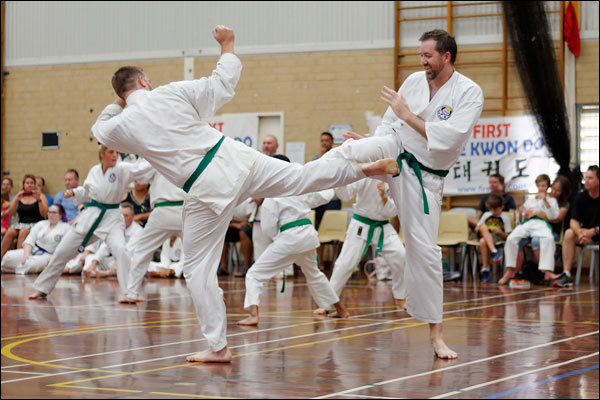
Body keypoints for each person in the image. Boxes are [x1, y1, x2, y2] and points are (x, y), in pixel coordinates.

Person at [90, 25, 397, 363]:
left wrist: (118, 104)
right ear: (145, 82)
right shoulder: (170, 92)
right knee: (300, 177)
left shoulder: (122, 122)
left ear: (123, 94)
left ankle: (218, 346)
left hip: (206, 189)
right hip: (233, 157)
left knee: (197, 270)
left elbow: (100, 129)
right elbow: (222, 84)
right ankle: (361, 163)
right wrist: (227, 45)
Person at [334, 29, 484, 358]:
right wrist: (372, 143)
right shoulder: (415, 81)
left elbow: (446, 139)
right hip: (395, 151)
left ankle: (437, 336)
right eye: (420, 55)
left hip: (426, 177)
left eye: (428, 56)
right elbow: (389, 125)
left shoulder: (469, 93)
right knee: (348, 150)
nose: (422, 61)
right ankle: (287, 178)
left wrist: (406, 114)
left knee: (426, 253)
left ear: (447, 57)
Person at [238, 154, 349, 326]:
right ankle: (341, 309)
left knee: (254, 274)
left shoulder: (272, 193)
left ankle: (253, 315)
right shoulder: (299, 186)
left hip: (290, 237)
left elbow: (268, 226)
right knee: (314, 275)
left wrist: (279, 241)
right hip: (308, 233)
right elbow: (323, 196)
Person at [28, 145, 150, 300]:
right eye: (110, 152)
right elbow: (86, 191)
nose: (114, 155)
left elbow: (140, 169)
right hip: (91, 216)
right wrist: (74, 192)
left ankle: (129, 293)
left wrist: (152, 154)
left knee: (121, 250)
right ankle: (42, 288)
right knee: (61, 251)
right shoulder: (94, 171)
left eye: (116, 153)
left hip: (112, 217)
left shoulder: (122, 169)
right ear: (102, 155)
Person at [314, 177, 407, 315]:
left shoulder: (394, 177)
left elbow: (393, 211)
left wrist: (384, 198)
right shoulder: (366, 172)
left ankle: (400, 297)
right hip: (361, 224)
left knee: (401, 255)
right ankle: (327, 304)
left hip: (383, 225)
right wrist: (340, 180)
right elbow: (346, 194)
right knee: (345, 264)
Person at [124, 163, 185, 301]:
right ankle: (215, 292)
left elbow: (139, 175)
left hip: (162, 210)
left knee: (142, 250)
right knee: (199, 256)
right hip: (184, 210)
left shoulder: (156, 154)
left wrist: (120, 169)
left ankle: (131, 293)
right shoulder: (187, 153)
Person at [500, 174, 559, 285]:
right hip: (528, 223)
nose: (541, 188)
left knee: (548, 238)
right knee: (511, 238)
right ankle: (510, 270)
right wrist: (522, 213)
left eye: (544, 186)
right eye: (539, 186)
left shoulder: (552, 201)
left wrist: (544, 202)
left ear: (547, 187)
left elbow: (553, 216)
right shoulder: (530, 201)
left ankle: (547, 271)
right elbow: (520, 215)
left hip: (542, 224)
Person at [554, 165, 600, 287]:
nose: (587, 181)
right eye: (586, 177)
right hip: (585, 234)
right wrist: (580, 232)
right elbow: (573, 221)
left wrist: (593, 231)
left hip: (595, 232)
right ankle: (567, 274)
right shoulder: (581, 197)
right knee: (569, 233)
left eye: (590, 178)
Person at [514, 175, 571, 273]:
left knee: (537, 241)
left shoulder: (564, 204)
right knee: (517, 240)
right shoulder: (539, 199)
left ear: (563, 192)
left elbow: (555, 219)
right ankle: (518, 273)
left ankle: (543, 272)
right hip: (532, 228)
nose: (554, 192)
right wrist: (523, 211)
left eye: (558, 191)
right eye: (553, 189)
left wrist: (538, 213)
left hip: (553, 232)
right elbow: (525, 211)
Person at [1, 204, 69, 274]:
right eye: (49, 212)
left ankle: (12, 270)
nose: (51, 215)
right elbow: (30, 239)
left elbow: (65, 248)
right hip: (32, 250)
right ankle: (16, 268)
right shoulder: (41, 224)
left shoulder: (66, 228)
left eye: (54, 212)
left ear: (61, 215)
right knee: (8, 256)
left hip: (48, 255)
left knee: (30, 265)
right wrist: (26, 255)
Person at [84, 202, 143, 278]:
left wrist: (117, 264)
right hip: (113, 261)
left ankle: (103, 274)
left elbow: (128, 251)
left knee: (132, 262)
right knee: (90, 257)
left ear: (132, 216)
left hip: (128, 259)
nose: (123, 218)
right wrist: (94, 263)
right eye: (121, 215)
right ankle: (92, 271)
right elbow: (105, 246)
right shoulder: (116, 227)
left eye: (126, 216)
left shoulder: (138, 231)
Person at [312, 132, 343, 270]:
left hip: (334, 198)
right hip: (320, 199)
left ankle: (336, 260)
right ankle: (320, 261)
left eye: (327, 140)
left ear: (331, 141)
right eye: (322, 140)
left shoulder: (338, 156)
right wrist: (321, 157)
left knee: (335, 230)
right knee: (318, 230)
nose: (324, 143)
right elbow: (313, 174)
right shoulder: (316, 158)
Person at [1, 174, 49, 258]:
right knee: (10, 231)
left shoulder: (41, 196)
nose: (29, 184)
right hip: (21, 223)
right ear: (23, 184)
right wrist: (16, 199)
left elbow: (44, 214)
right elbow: (10, 213)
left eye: (32, 183)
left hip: (36, 223)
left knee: (23, 232)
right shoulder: (19, 196)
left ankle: (17, 259)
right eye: (27, 183)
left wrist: (39, 200)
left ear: (35, 185)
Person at [474, 193, 512, 284]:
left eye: (495, 209)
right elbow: (477, 228)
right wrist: (483, 229)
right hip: (486, 234)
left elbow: (509, 236)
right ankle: (494, 252)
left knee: (483, 241)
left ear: (502, 207)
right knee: (483, 227)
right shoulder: (487, 214)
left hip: (497, 237)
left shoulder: (505, 218)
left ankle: (486, 268)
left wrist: (500, 232)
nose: (493, 212)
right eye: (491, 209)